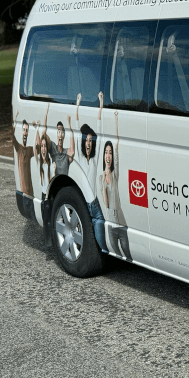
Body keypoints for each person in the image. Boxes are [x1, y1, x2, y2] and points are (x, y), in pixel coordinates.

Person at [74, 92, 108, 254]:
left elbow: (100, 130)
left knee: (103, 245)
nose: (88, 143)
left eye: (90, 140)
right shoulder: (80, 158)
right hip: (86, 202)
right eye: (86, 140)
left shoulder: (94, 159)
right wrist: (78, 103)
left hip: (96, 205)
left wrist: (101, 104)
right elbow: (76, 125)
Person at [100, 110, 132, 261]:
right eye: (106, 152)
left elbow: (117, 143)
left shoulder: (115, 174)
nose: (108, 155)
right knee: (116, 255)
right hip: (111, 225)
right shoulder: (101, 178)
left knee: (128, 255)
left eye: (110, 153)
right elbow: (105, 203)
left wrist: (116, 121)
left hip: (121, 223)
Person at [39, 103, 75, 179]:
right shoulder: (53, 148)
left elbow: (72, 152)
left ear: (64, 135)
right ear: (56, 134)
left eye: (62, 132)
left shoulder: (66, 153)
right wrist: (46, 112)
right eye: (58, 131)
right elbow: (43, 135)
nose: (60, 134)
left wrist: (70, 126)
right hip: (54, 184)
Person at [12, 112, 36, 198]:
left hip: (30, 192)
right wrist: (14, 121)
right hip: (22, 192)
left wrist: (36, 129)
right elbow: (11, 136)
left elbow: (39, 147)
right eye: (24, 130)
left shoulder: (29, 150)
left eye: (27, 130)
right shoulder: (19, 148)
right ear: (21, 131)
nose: (25, 133)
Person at [33, 123, 52, 198]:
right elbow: (34, 148)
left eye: (45, 146)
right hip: (43, 195)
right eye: (42, 146)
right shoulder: (39, 163)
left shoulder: (50, 162)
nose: (43, 149)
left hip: (50, 195)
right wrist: (36, 129)